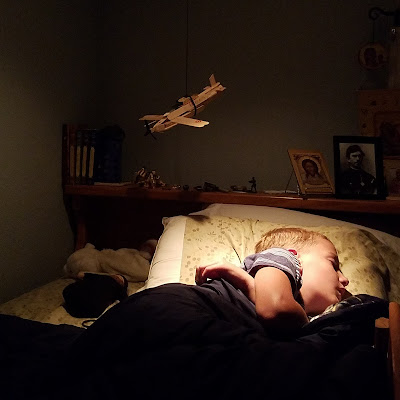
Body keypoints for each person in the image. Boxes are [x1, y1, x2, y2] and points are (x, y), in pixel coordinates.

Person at [195, 227, 349, 337]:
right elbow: (276, 309)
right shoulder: (283, 257)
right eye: (334, 265)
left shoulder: (303, 311)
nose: (345, 279)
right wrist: (247, 284)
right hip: (194, 310)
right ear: (295, 256)